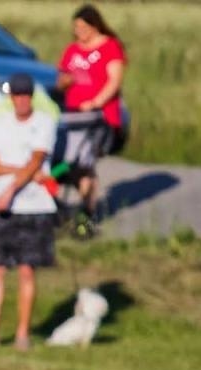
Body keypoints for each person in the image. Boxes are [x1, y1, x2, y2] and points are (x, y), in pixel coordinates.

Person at [0, 73, 57, 350]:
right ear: (11, 97)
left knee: (26, 270)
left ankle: (22, 333)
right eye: (17, 95)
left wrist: (11, 188)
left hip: (34, 205)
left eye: (26, 95)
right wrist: (19, 171)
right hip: (2, 206)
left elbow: (37, 159)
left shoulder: (44, 123)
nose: (22, 100)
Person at [56, 4, 125, 234]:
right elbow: (61, 79)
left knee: (84, 163)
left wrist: (96, 102)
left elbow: (114, 81)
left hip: (98, 117)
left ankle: (87, 216)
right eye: (75, 28)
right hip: (73, 115)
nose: (79, 32)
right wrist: (65, 83)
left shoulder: (110, 47)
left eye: (83, 27)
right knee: (69, 163)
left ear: (94, 25)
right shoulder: (72, 50)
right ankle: (69, 211)